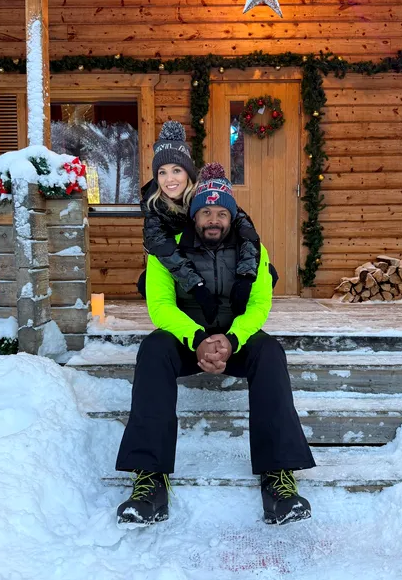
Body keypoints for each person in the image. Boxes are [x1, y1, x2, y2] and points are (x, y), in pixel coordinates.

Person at [116, 168, 316, 528]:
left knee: (270, 352)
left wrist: (232, 339)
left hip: (234, 339)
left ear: (232, 216)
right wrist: (197, 339)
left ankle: (278, 479)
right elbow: (160, 306)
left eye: (222, 212)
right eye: (206, 212)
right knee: (153, 349)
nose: (213, 219)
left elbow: (259, 305)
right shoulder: (167, 249)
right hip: (185, 338)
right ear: (194, 215)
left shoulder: (253, 249)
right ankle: (149, 480)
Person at [139, 120, 261, 322]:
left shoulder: (206, 193)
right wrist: (196, 287)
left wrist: (246, 277)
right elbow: (166, 251)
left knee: (266, 271)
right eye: (162, 172)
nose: (169, 179)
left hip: (217, 257)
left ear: (188, 172)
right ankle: (184, 315)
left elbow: (245, 229)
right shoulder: (154, 207)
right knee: (145, 282)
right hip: (184, 260)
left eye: (176, 170)